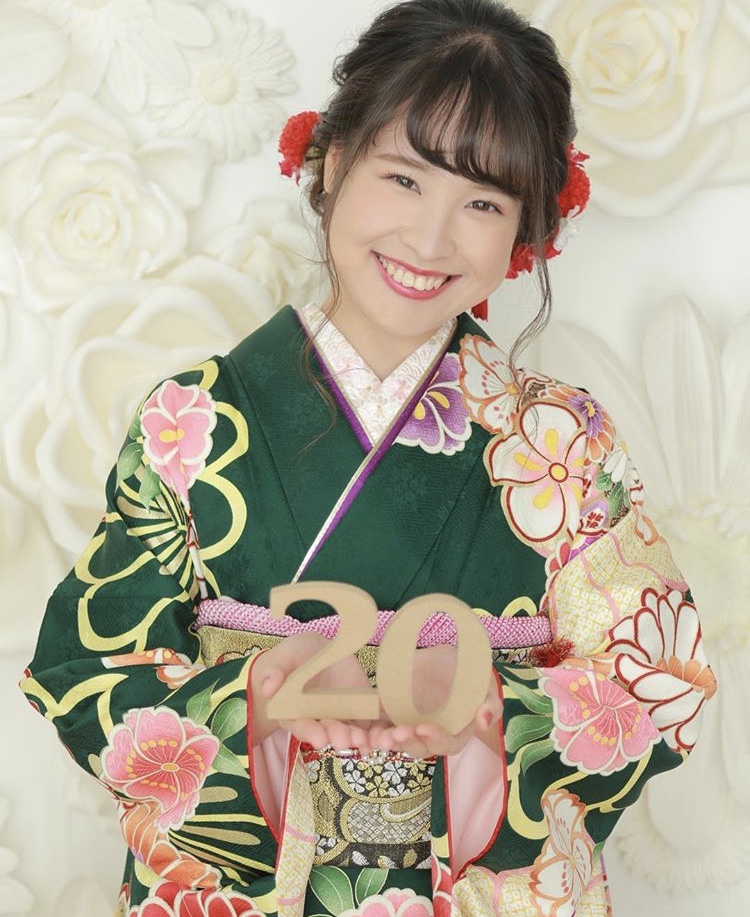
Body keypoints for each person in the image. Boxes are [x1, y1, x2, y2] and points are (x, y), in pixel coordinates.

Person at [21, 1, 716, 915]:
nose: (430, 239)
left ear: (525, 230)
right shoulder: (192, 419)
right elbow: (85, 667)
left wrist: (475, 703)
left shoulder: (562, 442)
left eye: (482, 202)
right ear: (333, 161)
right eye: (404, 178)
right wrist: (262, 698)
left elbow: (660, 681)